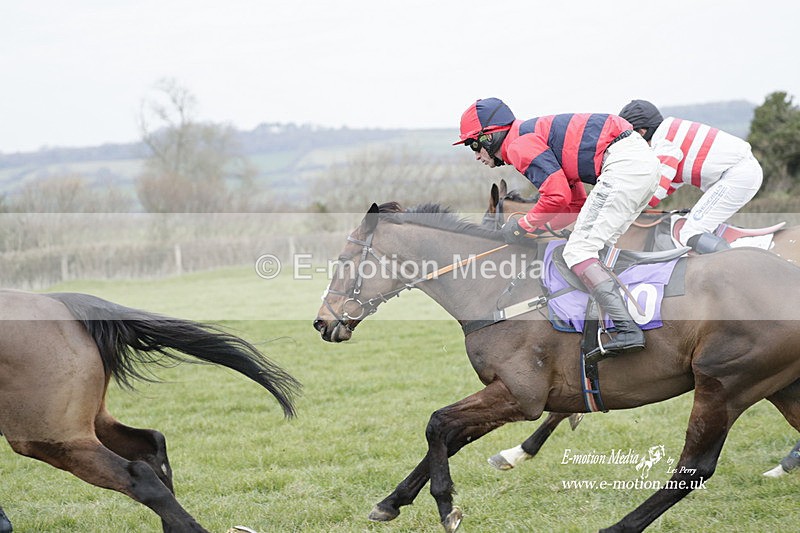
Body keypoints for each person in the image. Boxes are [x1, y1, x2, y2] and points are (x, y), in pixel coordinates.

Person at [455, 98, 660, 356]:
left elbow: (556, 196)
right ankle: (612, 319)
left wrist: (522, 226)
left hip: (624, 165)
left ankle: (627, 328)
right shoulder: (527, 136)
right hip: (639, 164)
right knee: (592, 249)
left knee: (578, 251)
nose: (475, 155)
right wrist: (537, 230)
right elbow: (574, 204)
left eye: (474, 145)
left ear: (489, 138)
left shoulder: (518, 144)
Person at [618, 99, 764, 254]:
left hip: (737, 176)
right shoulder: (667, 134)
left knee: (690, 232)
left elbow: (655, 192)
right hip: (738, 173)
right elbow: (670, 184)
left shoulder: (663, 144)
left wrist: (624, 205)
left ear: (642, 132)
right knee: (691, 221)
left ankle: (738, 264)